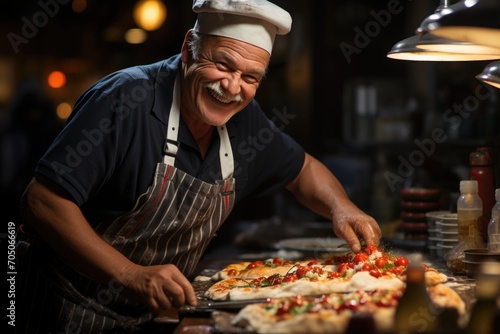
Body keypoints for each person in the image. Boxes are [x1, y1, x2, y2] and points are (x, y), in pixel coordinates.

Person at [16, 0, 381, 332]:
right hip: (62, 306)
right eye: (223, 64)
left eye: (250, 77)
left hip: (151, 315)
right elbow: (41, 202)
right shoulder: (125, 99)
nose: (232, 87)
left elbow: (304, 169)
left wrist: (341, 206)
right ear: (189, 48)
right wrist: (128, 274)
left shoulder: (245, 120)